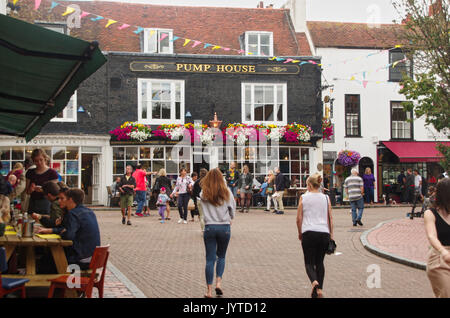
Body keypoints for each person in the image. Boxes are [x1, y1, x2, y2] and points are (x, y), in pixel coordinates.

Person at [199, 168, 235, 298]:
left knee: (209, 259)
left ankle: (208, 291)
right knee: (222, 256)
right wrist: (230, 218)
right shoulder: (227, 193)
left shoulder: (204, 193)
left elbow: (202, 208)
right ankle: (218, 283)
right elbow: (232, 210)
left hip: (209, 227)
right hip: (224, 227)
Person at [296, 173, 333, 298]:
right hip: (324, 232)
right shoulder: (326, 198)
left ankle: (314, 282)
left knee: (309, 262)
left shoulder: (304, 198)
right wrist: (331, 235)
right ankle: (319, 290)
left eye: (307, 185)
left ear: (310, 185)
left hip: (309, 232)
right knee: (320, 262)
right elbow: (330, 218)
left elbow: (299, 218)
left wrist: (300, 232)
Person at [55, 188, 101, 270]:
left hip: (81, 259)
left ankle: (66, 282)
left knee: (52, 257)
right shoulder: (90, 212)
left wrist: (62, 233)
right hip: (94, 258)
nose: (59, 201)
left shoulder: (73, 214)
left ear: (70, 200)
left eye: (63, 198)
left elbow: (69, 236)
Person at [424, 178, 450, 298]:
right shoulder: (430, 213)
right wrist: (443, 251)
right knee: (446, 293)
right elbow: (431, 236)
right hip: (439, 259)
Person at [25, 149, 59, 215]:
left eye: (41, 160)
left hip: (46, 203)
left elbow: (55, 193)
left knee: (44, 222)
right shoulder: (30, 172)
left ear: (45, 159)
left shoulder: (52, 173)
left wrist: (43, 190)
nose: (39, 163)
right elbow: (27, 192)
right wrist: (31, 190)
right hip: (33, 202)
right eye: (36, 161)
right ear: (33, 161)